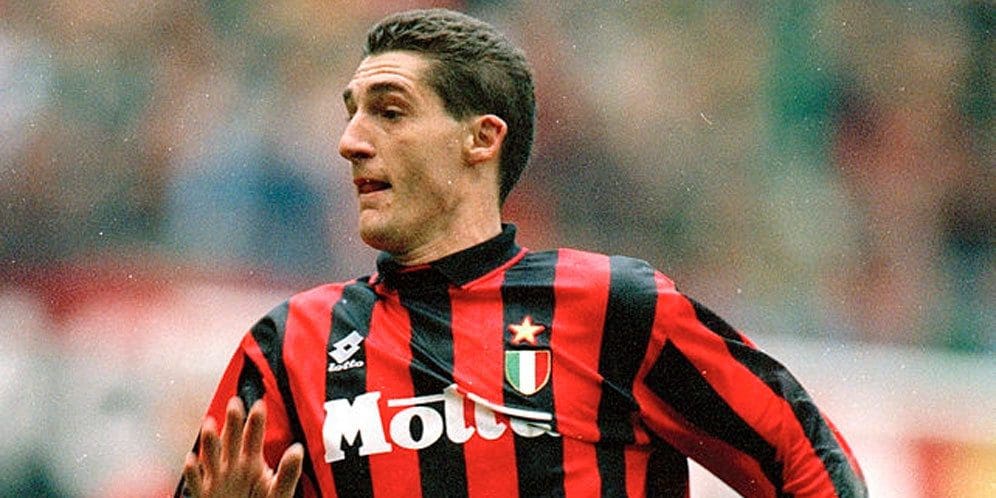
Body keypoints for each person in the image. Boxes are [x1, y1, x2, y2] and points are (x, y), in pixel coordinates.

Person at [177, 8, 867, 498]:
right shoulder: (291, 346)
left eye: (389, 111)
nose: (350, 141)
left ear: (482, 138)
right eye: (351, 112)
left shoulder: (614, 308)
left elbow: (807, 461)